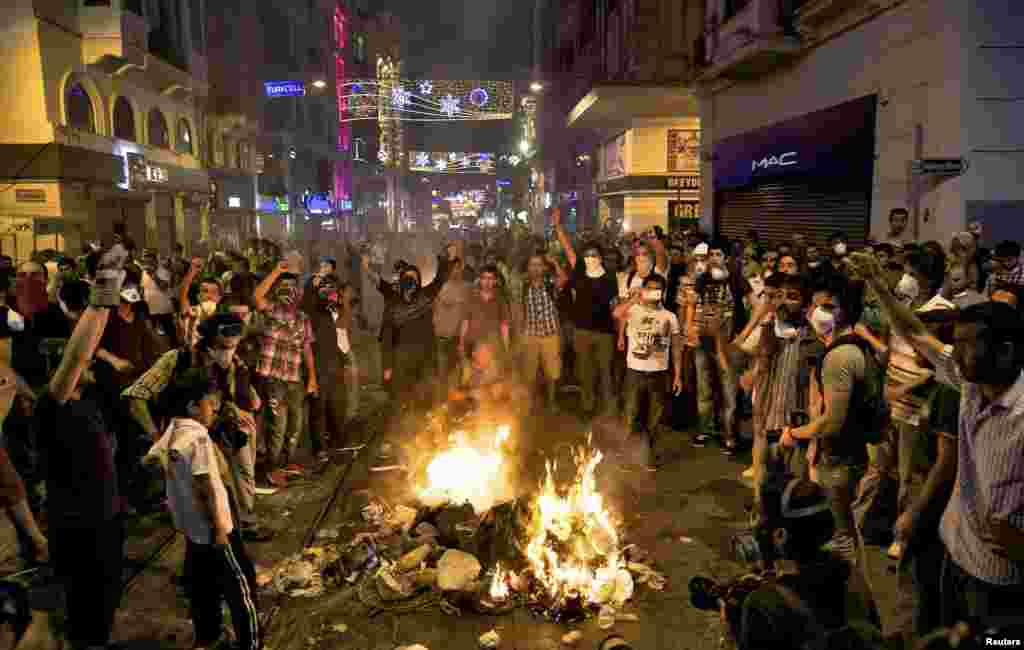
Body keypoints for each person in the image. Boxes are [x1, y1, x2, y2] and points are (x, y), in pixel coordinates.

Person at [848, 250, 1024, 631]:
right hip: (954, 555)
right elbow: (915, 333)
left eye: (964, 344)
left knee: (997, 644)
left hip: (999, 580)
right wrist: (878, 283)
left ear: (1005, 351)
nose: (952, 353)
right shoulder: (971, 381)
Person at [37, 245, 129, 650]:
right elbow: (78, 355)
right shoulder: (50, 409)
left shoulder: (90, 403)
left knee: (103, 608)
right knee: (84, 617)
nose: (88, 365)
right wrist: (104, 293)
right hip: (77, 529)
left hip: (106, 518)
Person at [124, 312, 268, 539]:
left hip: (222, 429)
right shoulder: (178, 359)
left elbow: (239, 397)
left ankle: (243, 523)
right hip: (189, 434)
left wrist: (235, 408)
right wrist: (156, 435)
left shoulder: (235, 362)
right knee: (207, 488)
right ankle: (220, 533)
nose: (229, 350)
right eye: (223, 345)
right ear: (210, 339)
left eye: (234, 344)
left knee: (240, 475)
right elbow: (135, 395)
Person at [145, 368, 260, 650]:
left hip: (193, 531)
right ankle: (251, 643)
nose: (214, 409)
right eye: (210, 403)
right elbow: (204, 485)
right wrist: (220, 528)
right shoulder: (197, 437)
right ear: (193, 406)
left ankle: (208, 638)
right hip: (216, 529)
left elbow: (150, 459)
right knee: (241, 586)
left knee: (202, 588)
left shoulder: (173, 429)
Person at [779, 274, 873, 566]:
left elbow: (832, 421)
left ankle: (849, 594)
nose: (817, 312)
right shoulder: (843, 349)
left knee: (840, 534)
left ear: (845, 312)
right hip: (836, 455)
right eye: (816, 305)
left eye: (828, 306)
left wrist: (795, 434)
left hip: (837, 459)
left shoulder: (840, 357)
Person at [729, 479, 880, 650]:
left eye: (757, 517)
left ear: (781, 535)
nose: (753, 527)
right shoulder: (853, 576)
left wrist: (732, 628)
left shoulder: (762, 603)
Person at [253, 262, 317, 483]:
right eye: (284, 287)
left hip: (295, 379)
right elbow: (257, 296)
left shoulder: (303, 318)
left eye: (293, 287)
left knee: (296, 424)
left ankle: (288, 463)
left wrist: (313, 379)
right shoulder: (271, 310)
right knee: (277, 425)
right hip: (274, 379)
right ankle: (272, 467)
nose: (289, 291)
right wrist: (277, 272)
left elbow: (307, 348)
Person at [613, 274, 683, 468]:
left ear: (663, 292)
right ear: (644, 289)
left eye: (657, 289)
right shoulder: (633, 309)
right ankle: (625, 455)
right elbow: (617, 313)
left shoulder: (670, 317)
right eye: (649, 288)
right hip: (634, 371)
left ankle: (650, 455)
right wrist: (635, 298)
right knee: (630, 414)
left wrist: (677, 375)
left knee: (655, 418)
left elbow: (677, 346)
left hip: (659, 373)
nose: (653, 292)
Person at [554, 213, 618, 418]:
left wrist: (620, 332)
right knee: (586, 372)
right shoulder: (579, 273)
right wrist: (558, 227)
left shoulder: (610, 277)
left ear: (600, 257)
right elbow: (569, 251)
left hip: (605, 333)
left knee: (606, 373)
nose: (590, 257)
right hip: (581, 331)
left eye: (594, 254)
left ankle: (609, 409)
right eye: (587, 254)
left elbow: (615, 304)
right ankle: (588, 406)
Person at [518, 254, 562, 414]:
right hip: (530, 335)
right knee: (529, 372)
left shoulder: (550, 285)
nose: (535, 268)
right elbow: (520, 310)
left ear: (544, 268)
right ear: (528, 268)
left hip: (550, 334)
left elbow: (563, 280)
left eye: (539, 265)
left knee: (552, 371)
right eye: (532, 265)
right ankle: (529, 403)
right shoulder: (523, 287)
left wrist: (555, 262)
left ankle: (552, 403)